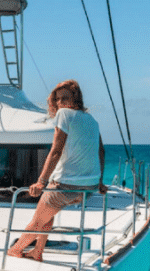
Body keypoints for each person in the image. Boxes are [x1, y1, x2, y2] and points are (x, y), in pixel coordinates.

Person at [7, 79, 105, 261]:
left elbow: (55, 151)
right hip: (89, 188)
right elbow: (101, 151)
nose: (60, 103)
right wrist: (99, 182)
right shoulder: (92, 120)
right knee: (48, 212)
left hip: (66, 186)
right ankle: (37, 252)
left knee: (38, 219)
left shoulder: (64, 114)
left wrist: (41, 181)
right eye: (58, 99)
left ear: (76, 99)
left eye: (65, 98)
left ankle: (16, 249)